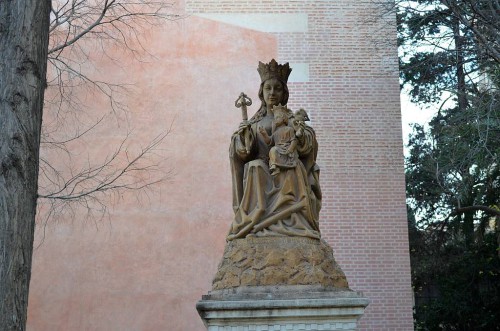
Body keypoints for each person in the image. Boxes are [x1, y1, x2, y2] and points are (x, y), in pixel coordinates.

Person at [227, 59, 322, 240]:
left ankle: (294, 217)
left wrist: (301, 135)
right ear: (261, 93)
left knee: (294, 169)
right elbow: (243, 153)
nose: (272, 93)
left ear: (284, 93)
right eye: (268, 88)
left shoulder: (293, 120)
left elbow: (307, 143)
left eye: (277, 88)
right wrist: (242, 137)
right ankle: (256, 217)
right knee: (254, 166)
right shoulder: (255, 124)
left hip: (288, 168)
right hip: (262, 170)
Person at [258, 104, 298, 176]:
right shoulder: (276, 132)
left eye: (277, 118)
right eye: (275, 118)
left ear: (283, 118)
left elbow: (294, 140)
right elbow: (269, 141)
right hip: (278, 150)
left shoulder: (289, 129)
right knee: (273, 150)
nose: (275, 120)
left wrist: (290, 149)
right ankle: (275, 167)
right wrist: (264, 134)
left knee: (274, 149)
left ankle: (277, 165)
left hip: (286, 150)